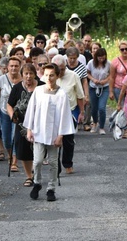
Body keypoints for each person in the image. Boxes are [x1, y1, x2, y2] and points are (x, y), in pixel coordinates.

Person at [24, 63, 75, 202]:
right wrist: (29, 129)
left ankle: (51, 188)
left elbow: (65, 116)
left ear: (57, 76)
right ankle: (37, 182)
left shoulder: (61, 94)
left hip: (54, 134)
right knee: (38, 161)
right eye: (46, 75)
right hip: (39, 131)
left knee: (53, 162)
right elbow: (31, 111)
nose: (49, 78)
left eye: (52, 75)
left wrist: (60, 135)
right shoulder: (38, 91)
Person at [8, 62, 44, 187]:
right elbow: (9, 104)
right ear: (22, 75)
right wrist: (12, 115)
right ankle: (29, 176)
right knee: (23, 150)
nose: (28, 76)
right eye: (26, 74)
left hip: (40, 123)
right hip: (22, 123)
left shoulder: (42, 86)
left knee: (38, 149)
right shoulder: (17, 88)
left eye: (31, 73)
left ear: (35, 74)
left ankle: (37, 171)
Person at [52, 54, 85, 174]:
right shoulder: (49, 76)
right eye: (57, 69)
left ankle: (67, 163)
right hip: (53, 112)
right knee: (54, 139)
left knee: (68, 140)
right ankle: (55, 165)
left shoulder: (73, 76)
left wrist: (82, 112)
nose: (60, 72)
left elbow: (80, 95)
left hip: (70, 111)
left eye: (62, 69)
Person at [0, 57, 22, 168]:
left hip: (19, 113)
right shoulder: (1, 80)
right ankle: (10, 155)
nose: (13, 68)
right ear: (7, 67)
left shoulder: (24, 79)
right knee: (6, 138)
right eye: (11, 66)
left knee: (15, 136)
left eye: (16, 66)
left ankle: (14, 161)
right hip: (4, 112)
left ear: (20, 67)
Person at [86, 47, 111, 135]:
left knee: (101, 108)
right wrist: (93, 79)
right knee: (94, 108)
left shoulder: (108, 64)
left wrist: (106, 80)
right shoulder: (91, 63)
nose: (101, 59)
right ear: (96, 57)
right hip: (93, 87)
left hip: (104, 87)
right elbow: (87, 73)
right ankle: (95, 123)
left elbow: (111, 75)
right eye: (99, 58)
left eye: (103, 58)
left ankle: (102, 127)